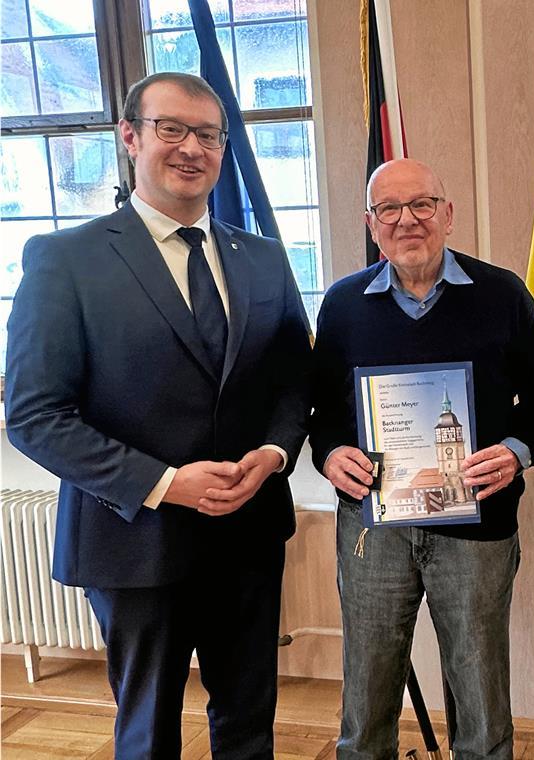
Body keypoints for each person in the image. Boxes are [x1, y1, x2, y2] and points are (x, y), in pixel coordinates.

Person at [4, 72, 312, 759]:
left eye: (207, 133)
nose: (190, 148)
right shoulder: (64, 261)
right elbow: (34, 413)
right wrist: (167, 483)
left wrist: (275, 453)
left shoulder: (262, 257)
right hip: (134, 539)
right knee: (146, 734)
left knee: (248, 723)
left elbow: (294, 381)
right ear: (130, 136)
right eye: (171, 128)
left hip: (249, 534)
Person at [309, 158, 534, 759]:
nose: (408, 220)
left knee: (478, 694)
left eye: (422, 204)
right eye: (389, 210)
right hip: (372, 526)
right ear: (372, 225)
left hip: (477, 527)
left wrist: (515, 452)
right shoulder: (343, 304)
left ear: (448, 215)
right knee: (368, 690)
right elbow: (317, 408)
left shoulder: (502, 294)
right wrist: (328, 454)